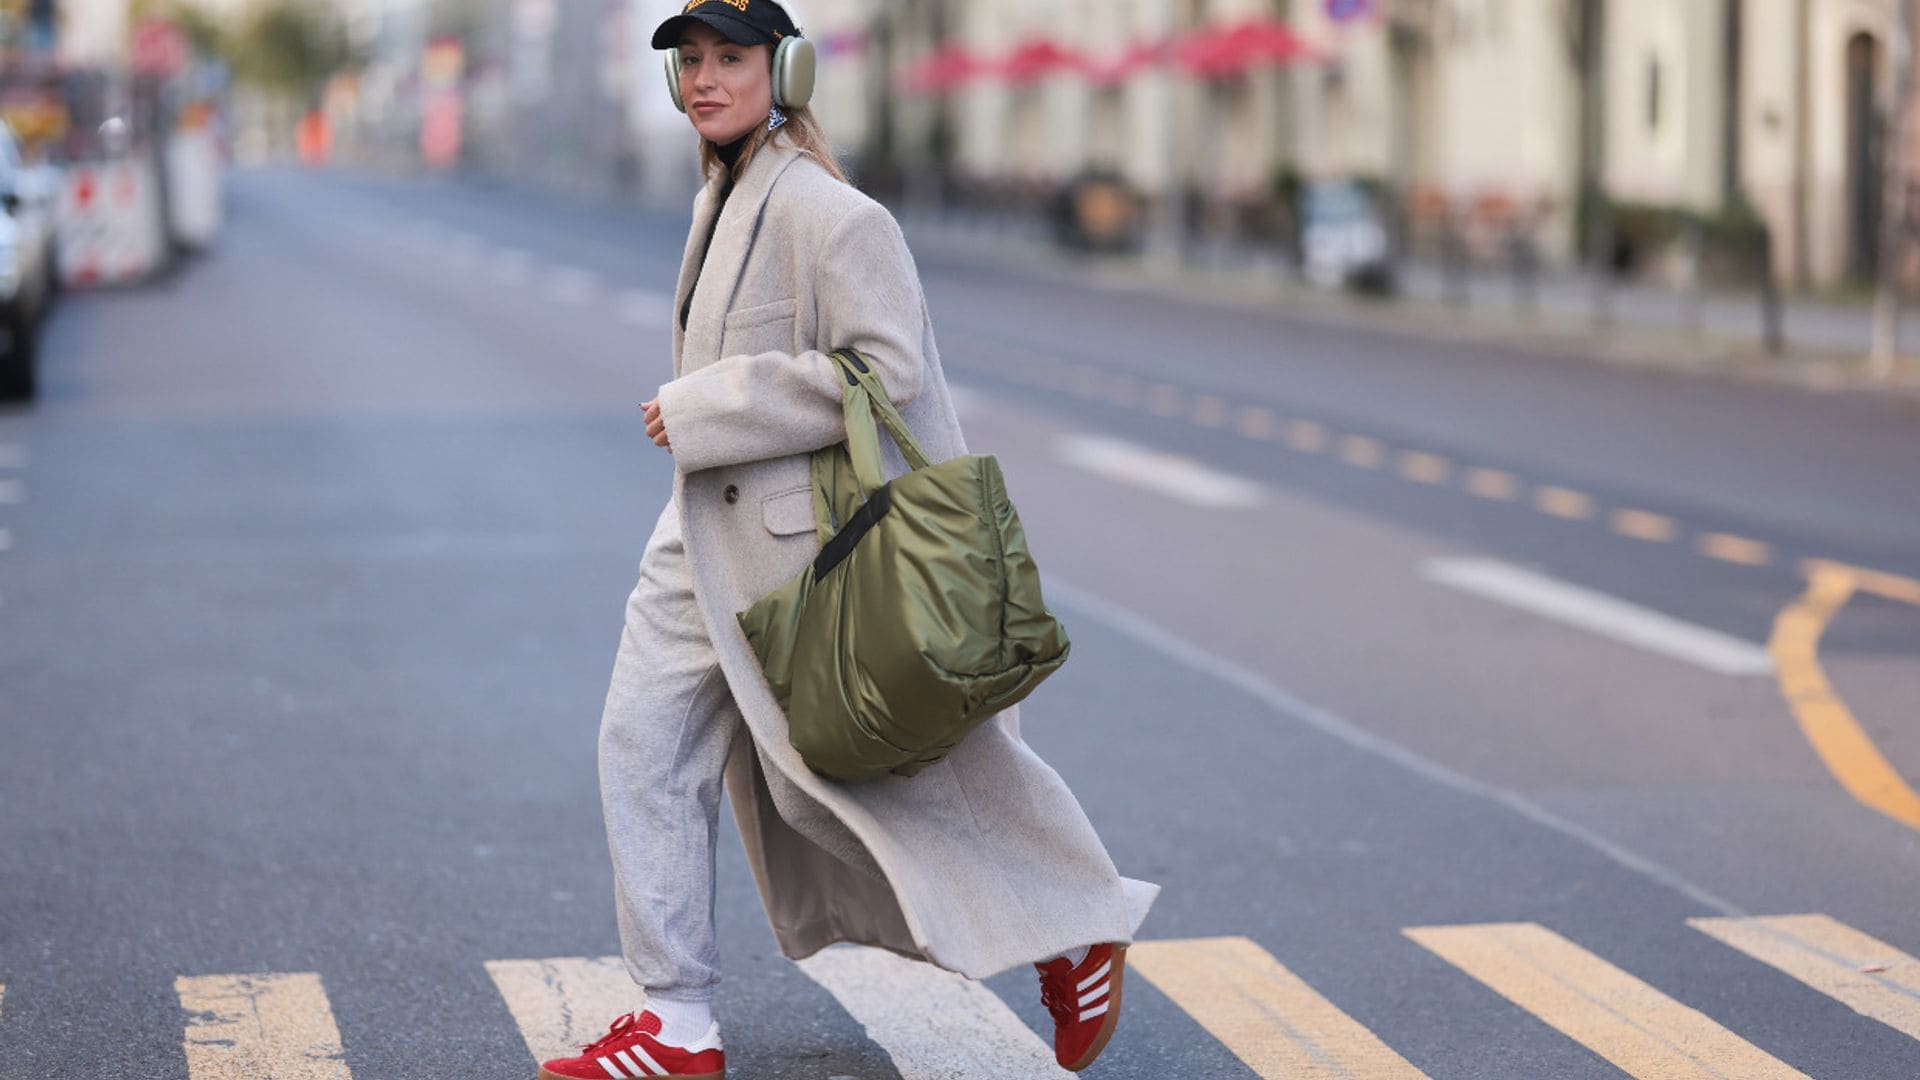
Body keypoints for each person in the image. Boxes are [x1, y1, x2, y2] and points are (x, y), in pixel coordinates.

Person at [538, 4, 1157, 1077]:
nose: (702, 79)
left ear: (787, 69)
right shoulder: (723, 195)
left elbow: (884, 371)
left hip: (792, 553)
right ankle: (677, 1021)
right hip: (702, 537)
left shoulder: (830, 212)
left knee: (914, 773)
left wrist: (711, 405)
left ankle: (1075, 925)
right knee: (642, 749)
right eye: (688, 61)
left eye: (729, 58)